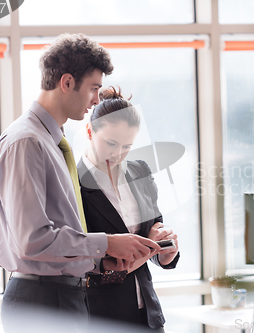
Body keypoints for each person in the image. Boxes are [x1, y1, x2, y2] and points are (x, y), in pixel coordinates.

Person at [0, 34, 160, 333]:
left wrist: (101, 263)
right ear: (66, 82)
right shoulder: (27, 142)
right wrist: (107, 243)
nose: (95, 99)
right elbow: (32, 240)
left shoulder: (52, 143)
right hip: (42, 300)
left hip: (65, 296)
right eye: (93, 88)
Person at [77, 87, 180, 331]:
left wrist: (164, 254)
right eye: (111, 143)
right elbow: (76, 257)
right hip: (100, 317)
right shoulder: (73, 182)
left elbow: (154, 231)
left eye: (127, 146)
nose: (118, 154)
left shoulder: (139, 171)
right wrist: (138, 256)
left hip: (148, 315)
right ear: (90, 131)